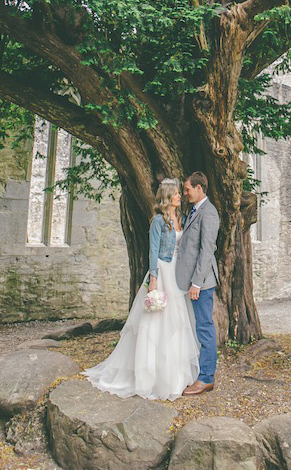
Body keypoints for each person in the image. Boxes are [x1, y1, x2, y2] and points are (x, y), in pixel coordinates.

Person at [83, 179, 199, 401]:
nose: (179, 196)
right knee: (155, 324)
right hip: (163, 271)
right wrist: (153, 280)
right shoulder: (157, 221)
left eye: (179, 193)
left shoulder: (182, 219)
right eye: (175, 193)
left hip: (177, 274)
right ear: (167, 197)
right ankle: (150, 377)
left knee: (177, 324)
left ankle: (175, 376)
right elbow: (153, 251)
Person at [176, 171, 220, 395]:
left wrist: (196, 283)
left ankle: (206, 378)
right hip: (192, 281)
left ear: (200, 188)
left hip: (201, 282)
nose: (185, 193)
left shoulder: (209, 213)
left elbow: (206, 251)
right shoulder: (195, 210)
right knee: (197, 327)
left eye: (188, 189)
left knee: (204, 327)